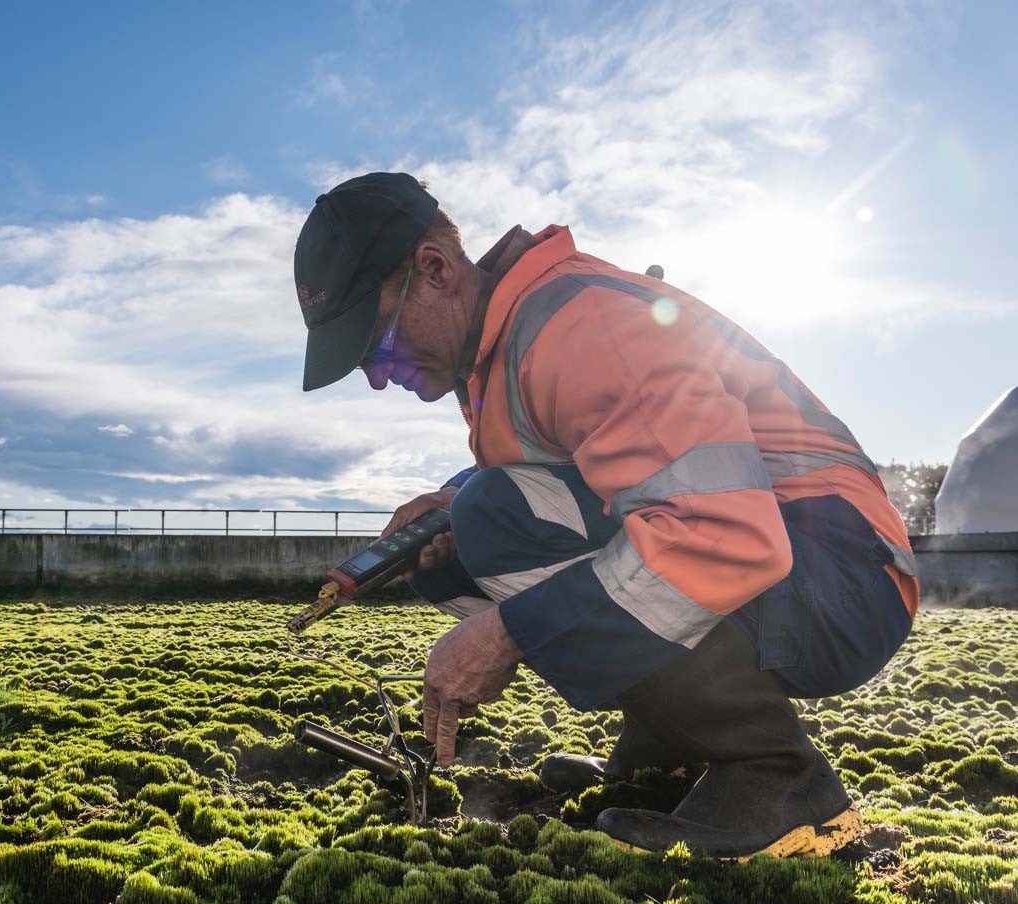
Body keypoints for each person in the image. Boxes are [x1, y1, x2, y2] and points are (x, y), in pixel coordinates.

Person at [293, 172, 919, 859]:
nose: (382, 378)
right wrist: (454, 503)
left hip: (843, 572)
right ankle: (667, 757)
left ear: (435, 269)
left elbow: (720, 531)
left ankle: (775, 779)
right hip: (806, 557)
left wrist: (507, 632)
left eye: (377, 345)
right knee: (464, 534)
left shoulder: (578, 324)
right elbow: (600, 474)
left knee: (491, 519)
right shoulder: (502, 352)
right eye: (365, 369)